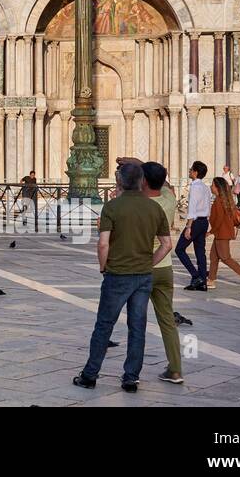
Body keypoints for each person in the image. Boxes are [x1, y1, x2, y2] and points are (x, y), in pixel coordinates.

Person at [73, 160, 172, 392]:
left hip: (117, 274)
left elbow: (103, 244)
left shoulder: (112, 207)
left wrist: (102, 267)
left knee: (104, 325)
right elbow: (166, 245)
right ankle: (131, 378)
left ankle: (90, 375)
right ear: (141, 182)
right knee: (137, 326)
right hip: (143, 275)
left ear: (119, 182)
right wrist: (149, 263)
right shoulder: (154, 208)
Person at [138, 159, 184, 384]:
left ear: (143, 181)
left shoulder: (140, 205)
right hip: (164, 268)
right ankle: (175, 369)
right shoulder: (169, 199)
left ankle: (132, 373)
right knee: (167, 320)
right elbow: (164, 185)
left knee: (137, 321)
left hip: (142, 268)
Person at [206, 176, 240, 291]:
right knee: (214, 256)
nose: (211, 187)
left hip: (222, 233)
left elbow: (218, 219)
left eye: (212, 185)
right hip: (222, 232)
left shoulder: (219, 201)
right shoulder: (223, 199)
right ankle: (211, 280)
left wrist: (210, 232)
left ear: (217, 187)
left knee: (225, 257)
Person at [175, 161, 211, 291]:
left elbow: (192, 208)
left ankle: (196, 276)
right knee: (200, 252)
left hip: (195, 222)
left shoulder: (195, 187)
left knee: (179, 249)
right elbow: (208, 206)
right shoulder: (205, 187)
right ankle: (202, 282)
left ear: (195, 172)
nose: (189, 171)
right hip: (204, 222)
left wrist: (188, 227)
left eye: (191, 170)